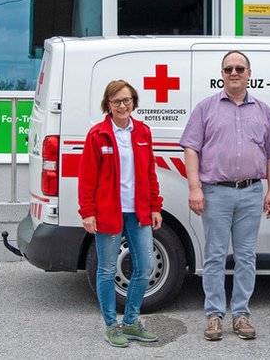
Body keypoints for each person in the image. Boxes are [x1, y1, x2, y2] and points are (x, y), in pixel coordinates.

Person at [180, 50, 270, 341]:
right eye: (228, 69)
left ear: (250, 73)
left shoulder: (263, 111)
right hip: (216, 193)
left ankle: (241, 314)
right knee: (213, 257)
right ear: (221, 74)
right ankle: (213, 315)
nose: (234, 72)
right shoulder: (206, 108)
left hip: (251, 192)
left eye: (239, 68)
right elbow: (191, 148)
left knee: (247, 257)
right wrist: (194, 187)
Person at [78, 80, 164, 348]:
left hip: (138, 212)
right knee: (105, 270)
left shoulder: (142, 133)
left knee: (145, 267)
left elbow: (150, 172)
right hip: (108, 212)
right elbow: (87, 178)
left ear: (134, 102)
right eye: (116, 101)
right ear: (108, 104)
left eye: (127, 100)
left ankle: (131, 321)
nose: (123, 105)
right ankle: (111, 326)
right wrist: (87, 212)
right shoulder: (98, 135)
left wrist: (154, 206)